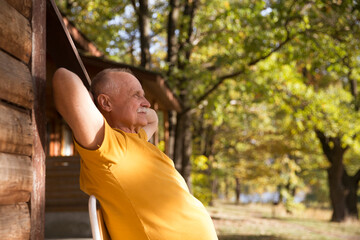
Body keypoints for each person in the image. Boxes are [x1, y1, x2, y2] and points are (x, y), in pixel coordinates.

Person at [52, 68, 218, 240]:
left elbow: (153, 119)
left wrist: (140, 108)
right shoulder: (109, 146)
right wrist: (93, 105)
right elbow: (64, 78)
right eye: (136, 95)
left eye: (144, 96)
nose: (146, 103)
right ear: (106, 103)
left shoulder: (139, 139)